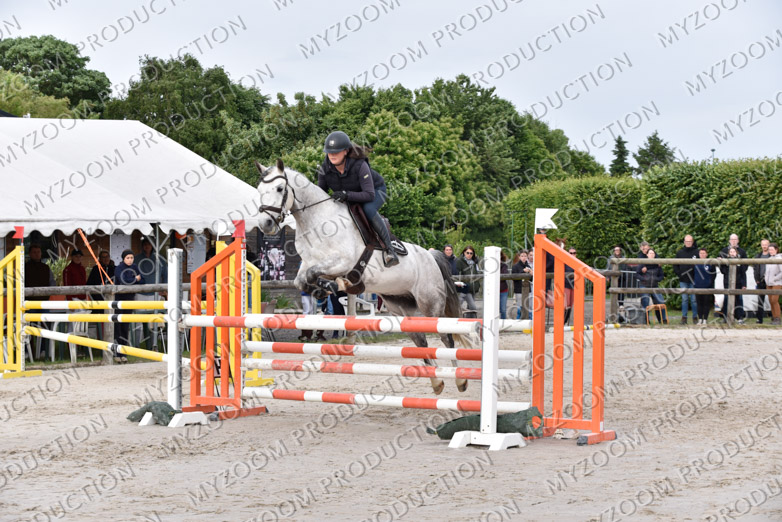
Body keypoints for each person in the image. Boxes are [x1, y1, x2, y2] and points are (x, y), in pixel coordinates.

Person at [318, 130, 398, 267]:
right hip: (351, 195)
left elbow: (369, 194)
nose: (332, 155)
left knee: (368, 209)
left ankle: (390, 250)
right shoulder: (324, 168)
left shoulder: (360, 165)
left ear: (345, 151)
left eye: (336, 152)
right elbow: (321, 193)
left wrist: (346, 195)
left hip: (376, 191)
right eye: (329, 152)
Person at [136, 239, 167, 349]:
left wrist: (164, 288)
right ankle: (136, 345)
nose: (147, 246)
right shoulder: (137, 259)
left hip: (155, 294)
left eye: (149, 244)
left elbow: (165, 274)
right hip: (140, 293)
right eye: (145, 244)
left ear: (152, 246)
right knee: (138, 321)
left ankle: (153, 345)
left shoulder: (160, 259)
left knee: (153, 321)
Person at [114, 250, 145, 361]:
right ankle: (117, 353)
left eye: (132, 257)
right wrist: (135, 279)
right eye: (128, 258)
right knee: (118, 326)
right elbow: (123, 281)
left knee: (125, 326)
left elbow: (143, 280)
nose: (130, 260)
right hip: (119, 300)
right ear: (123, 258)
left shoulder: (135, 267)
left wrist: (133, 280)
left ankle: (124, 353)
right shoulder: (119, 268)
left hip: (130, 299)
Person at [673, 235, 699, 324]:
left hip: (694, 280)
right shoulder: (680, 253)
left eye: (690, 241)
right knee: (684, 299)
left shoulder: (697, 252)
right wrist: (679, 274)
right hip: (683, 280)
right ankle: (684, 317)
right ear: (684, 242)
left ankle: (695, 317)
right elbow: (675, 265)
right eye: (687, 241)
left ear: (692, 242)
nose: (688, 243)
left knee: (694, 300)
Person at [719, 246, 748, 324]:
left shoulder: (740, 262)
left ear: (736, 253)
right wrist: (721, 263)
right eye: (731, 252)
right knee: (726, 299)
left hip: (738, 283)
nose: (732, 253)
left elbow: (743, 273)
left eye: (734, 252)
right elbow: (723, 271)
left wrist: (744, 284)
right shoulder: (726, 261)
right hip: (727, 283)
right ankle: (726, 317)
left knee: (739, 300)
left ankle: (740, 318)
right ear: (728, 254)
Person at [636, 248, 666, 322]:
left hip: (655, 286)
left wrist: (657, 279)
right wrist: (643, 279)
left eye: (653, 253)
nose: (652, 255)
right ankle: (645, 320)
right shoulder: (643, 263)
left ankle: (662, 319)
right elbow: (637, 274)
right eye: (650, 253)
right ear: (647, 255)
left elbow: (662, 275)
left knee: (661, 301)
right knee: (645, 302)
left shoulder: (658, 264)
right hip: (644, 285)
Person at [693, 247, 717, 325]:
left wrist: (710, 283)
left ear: (706, 254)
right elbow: (692, 273)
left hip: (707, 286)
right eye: (701, 253)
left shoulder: (710, 263)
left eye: (704, 253)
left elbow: (714, 274)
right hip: (697, 286)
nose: (702, 254)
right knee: (699, 303)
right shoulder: (695, 262)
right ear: (699, 254)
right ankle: (700, 319)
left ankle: (705, 319)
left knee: (706, 303)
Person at [456, 246, 481, 315]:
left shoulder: (474, 263)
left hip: (474, 288)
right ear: (464, 253)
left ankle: (469, 320)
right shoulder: (459, 261)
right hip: (465, 288)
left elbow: (477, 274)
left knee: (470, 308)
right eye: (467, 253)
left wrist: (477, 285)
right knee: (473, 307)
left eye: (471, 253)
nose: (469, 255)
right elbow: (458, 274)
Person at [764, 242, 782, 325]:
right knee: (770, 300)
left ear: (776, 250)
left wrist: (775, 278)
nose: (770, 251)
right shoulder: (769, 259)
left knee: (774, 300)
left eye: (772, 249)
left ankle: (778, 317)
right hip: (769, 283)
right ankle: (774, 317)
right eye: (769, 250)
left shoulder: (779, 259)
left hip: (776, 283)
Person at [754, 239, 771, 324]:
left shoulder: (772, 256)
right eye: (763, 244)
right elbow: (755, 269)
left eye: (766, 244)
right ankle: (759, 319)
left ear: (769, 245)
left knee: (773, 300)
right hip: (760, 281)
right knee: (760, 300)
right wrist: (756, 279)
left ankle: (775, 318)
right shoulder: (758, 256)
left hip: (770, 280)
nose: (764, 246)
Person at [511, 251, 532, 320]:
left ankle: (529, 321)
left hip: (528, 290)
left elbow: (531, 279)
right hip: (519, 290)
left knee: (528, 307)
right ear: (519, 257)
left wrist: (532, 274)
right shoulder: (515, 266)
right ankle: (518, 321)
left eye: (525, 256)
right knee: (520, 307)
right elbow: (514, 277)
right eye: (522, 256)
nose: (524, 258)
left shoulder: (528, 266)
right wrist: (523, 271)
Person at [499, 252, 509, 319]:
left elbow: (505, 274)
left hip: (503, 290)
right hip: (493, 291)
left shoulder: (504, 265)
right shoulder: (490, 265)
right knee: (493, 309)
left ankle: (503, 322)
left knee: (503, 309)